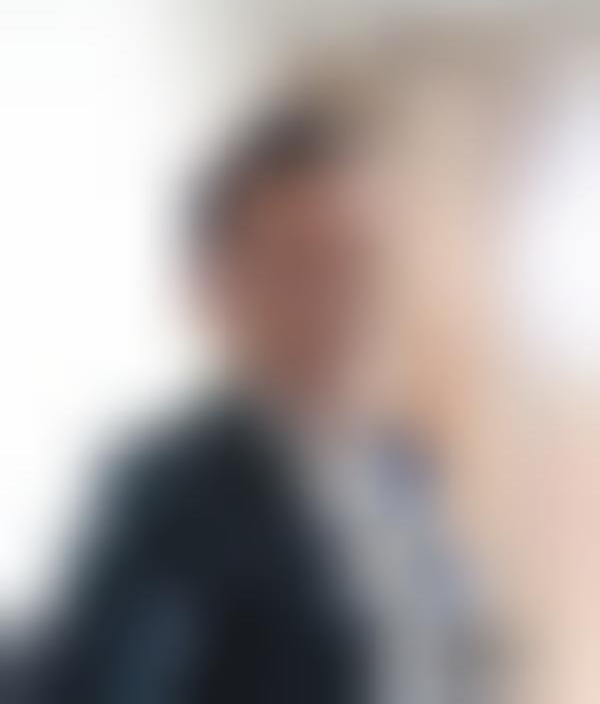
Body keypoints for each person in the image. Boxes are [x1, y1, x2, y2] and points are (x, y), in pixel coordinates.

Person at [35, 107, 486, 704]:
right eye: (303, 265)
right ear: (216, 284)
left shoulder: (402, 467)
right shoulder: (169, 492)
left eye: (358, 260)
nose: (340, 298)